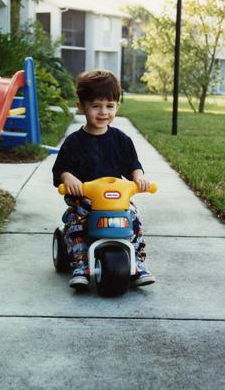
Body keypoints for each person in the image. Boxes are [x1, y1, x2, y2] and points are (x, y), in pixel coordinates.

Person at [52, 69, 155, 290]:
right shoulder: (74, 142)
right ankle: (80, 263)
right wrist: (68, 178)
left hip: (115, 201)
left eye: (109, 106)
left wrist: (139, 178)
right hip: (85, 199)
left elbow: (132, 165)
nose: (103, 112)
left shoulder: (121, 140)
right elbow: (61, 168)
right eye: (96, 106)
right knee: (76, 222)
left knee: (134, 219)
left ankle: (136, 261)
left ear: (117, 106)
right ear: (81, 107)